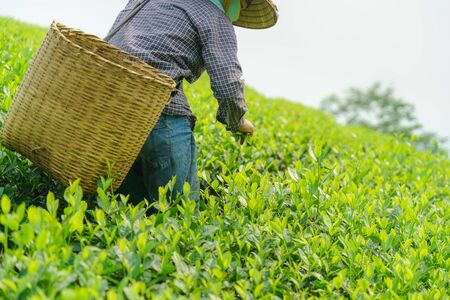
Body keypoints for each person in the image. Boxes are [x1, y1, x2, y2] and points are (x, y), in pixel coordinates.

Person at [108, 0, 278, 205]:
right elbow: (227, 82)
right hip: (158, 109)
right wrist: (238, 121)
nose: (242, 8)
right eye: (245, 2)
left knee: (127, 204)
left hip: (110, 104)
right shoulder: (214, 15)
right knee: (179, 211)